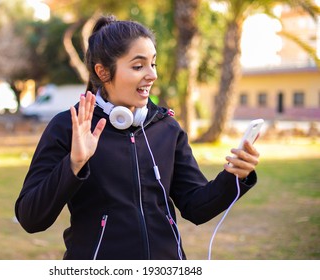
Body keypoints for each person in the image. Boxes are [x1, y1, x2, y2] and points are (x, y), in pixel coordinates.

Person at [15, 15, 260, 260]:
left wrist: (234, 177)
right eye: (138, 66)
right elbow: (31, 218)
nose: (151, 75)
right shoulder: (69, 127)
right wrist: (74, 164)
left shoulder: (167, 128)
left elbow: (196, 207)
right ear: (102, 72)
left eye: (153, 64)